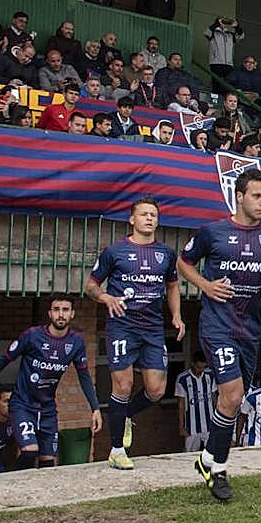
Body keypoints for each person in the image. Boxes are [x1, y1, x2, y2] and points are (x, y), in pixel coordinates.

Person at [177, 169, 261, 500]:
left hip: (249, 328)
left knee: (234, 397)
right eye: (257, 196)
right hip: (218, 325)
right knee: (233, 393)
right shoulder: (213, 232)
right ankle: (219, 470)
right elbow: (183, 263)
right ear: (239, 196)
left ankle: (206, 458)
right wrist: (205, 285)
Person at [86, 197, 184, 470]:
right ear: (132, 219)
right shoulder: (114, 251)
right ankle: (117, 450)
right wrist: (106, 298)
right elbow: (91, 286)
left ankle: (126, 414)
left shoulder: (166, 253)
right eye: (144, 214)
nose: (149, 218)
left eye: (153, 215)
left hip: (152, 328)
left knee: (156, 390)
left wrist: (176, 315)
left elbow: (172, 286)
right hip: (122, 325)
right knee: (123, 385)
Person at [0, 296, 102, 470]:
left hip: (48, 409)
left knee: (48, 461)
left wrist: (95, 408)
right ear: (49, 313)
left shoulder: (75, 342)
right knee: (30, 451)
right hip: (23, 405)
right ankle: (14, 480)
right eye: (56, 309)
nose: (60, 314)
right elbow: (3, 360)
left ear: (72, 314)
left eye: (65, 310)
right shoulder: (32, 335)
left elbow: (84, 376)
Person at [175, 352, 217, 452]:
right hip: (191, 425)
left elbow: (214, 397)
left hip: (209, 422)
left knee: (212, 451)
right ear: (192, 364)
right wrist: (181, 427)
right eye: (198, 367)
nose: (201, 370)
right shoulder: (183, 379)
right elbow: (181, 404)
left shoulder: (210, 375)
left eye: (203, 368)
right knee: (189, 453)